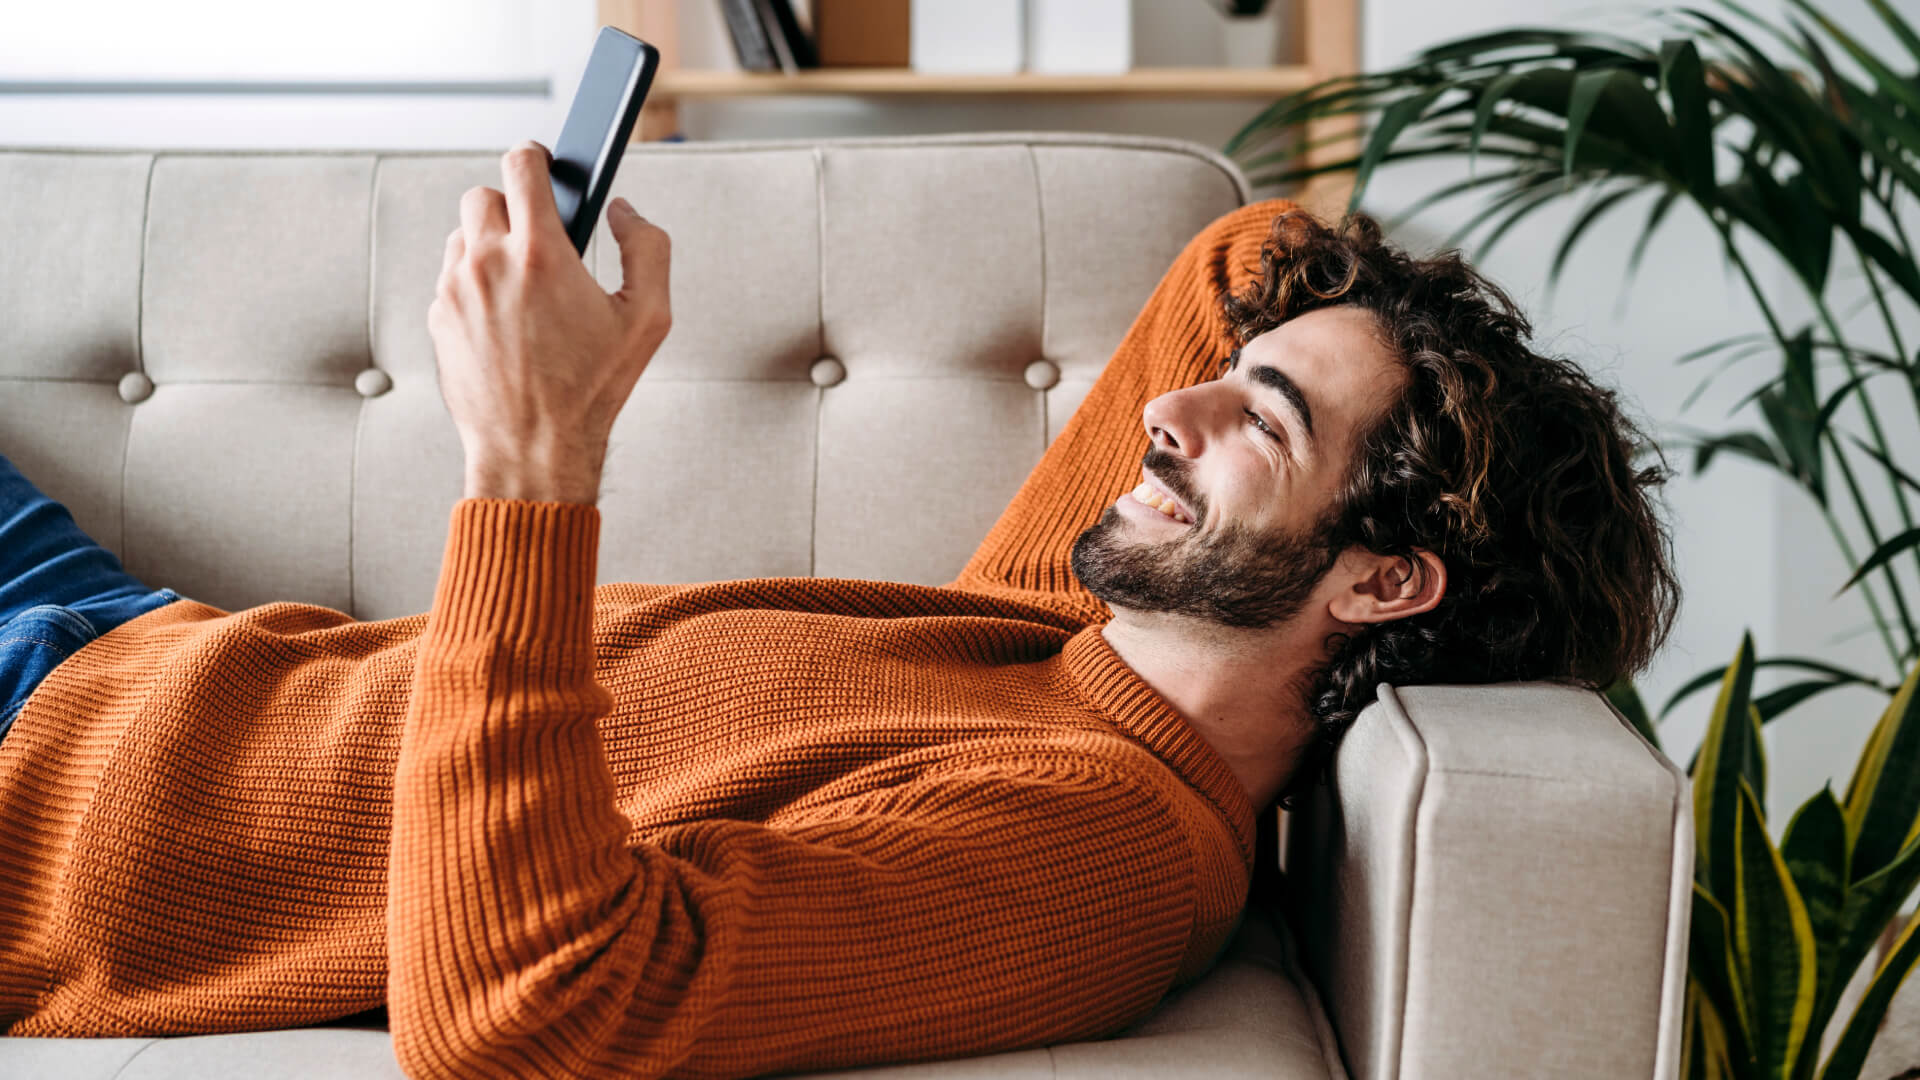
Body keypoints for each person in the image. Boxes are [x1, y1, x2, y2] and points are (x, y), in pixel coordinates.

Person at [0, 140, 1678, 1078]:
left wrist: (530, 465)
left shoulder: (1099, 846)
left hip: (40, 798)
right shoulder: (1070, 644)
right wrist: (1377, 362)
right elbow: (1247, 251)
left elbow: (531, 1010)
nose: (1176, 416)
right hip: (116, 630)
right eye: (1224, 389)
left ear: (1384, 580)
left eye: (1268, 426)